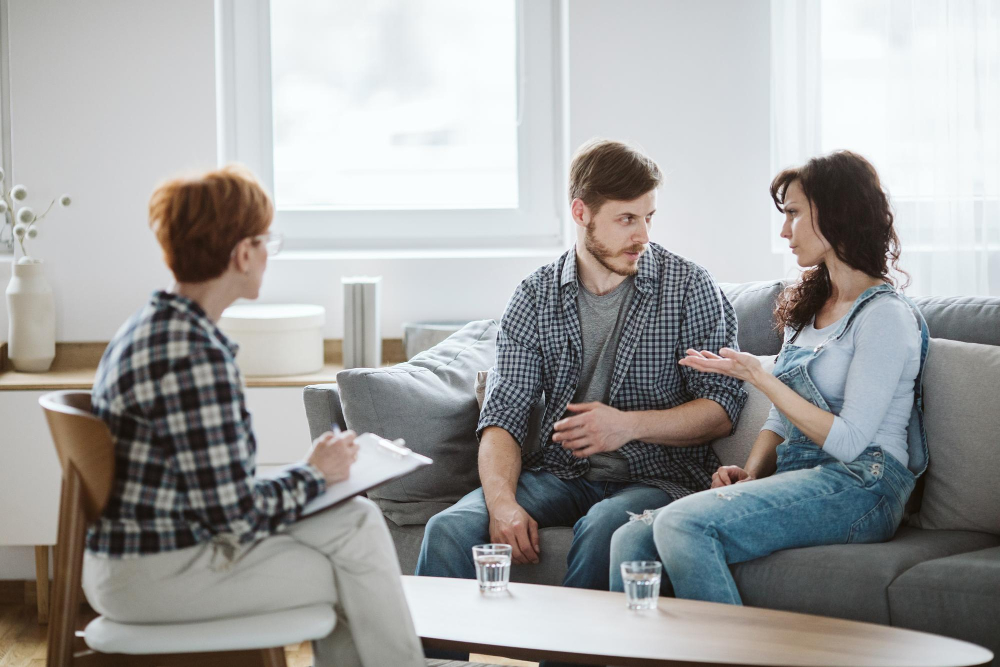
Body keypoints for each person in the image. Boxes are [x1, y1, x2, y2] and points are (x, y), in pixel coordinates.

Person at [84, 166, 425, 667]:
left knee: (356, 521)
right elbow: (234, 517)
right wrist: (312, 475)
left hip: (144, 556)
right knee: (355, 574)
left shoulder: (153, 325)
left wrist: (311, 475)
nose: (268, 253)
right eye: (266, 241)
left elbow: (216, 493)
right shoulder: (195, 356)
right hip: (160, 573)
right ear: (243, 253)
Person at [415, 139, 748, 596]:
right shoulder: (535, 297)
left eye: (648, 217)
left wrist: (627, 427)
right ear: (581, 212)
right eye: (627, 219)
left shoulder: (691, 288)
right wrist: (503, 504)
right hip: (561, 473)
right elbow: (503, 416)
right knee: (448, 528)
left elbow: (722, 409)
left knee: (606, 527)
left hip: (659, 477)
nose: (643, 236)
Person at [609, 150, 929, 605]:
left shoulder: (885, 316)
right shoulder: (808, 311)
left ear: (835, 214)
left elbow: (850, 441)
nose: (784, 230)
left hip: (865, 485)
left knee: (682, 524)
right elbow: (781, 421)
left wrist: (761, 377)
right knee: (631, 538)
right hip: (805, 475)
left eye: (794, 214)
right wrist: (751, 474)